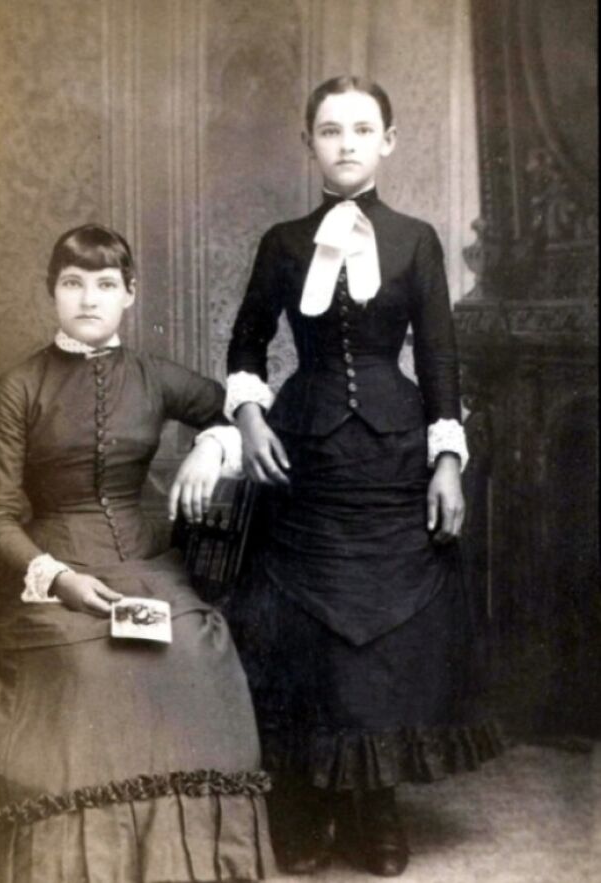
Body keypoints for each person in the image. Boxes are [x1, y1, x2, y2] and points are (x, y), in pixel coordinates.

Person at [0, 224, 274, 883]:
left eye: (105, 284)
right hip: (51, 570)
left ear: (129, 293)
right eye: (73, 283)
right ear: (52, 292)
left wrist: (213, 445)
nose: (89, 299)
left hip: (148, 565)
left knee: (194, 648)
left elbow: (241, 411)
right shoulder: (19, 386)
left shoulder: (153, 375)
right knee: (85, 663)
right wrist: (61, 581)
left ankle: (176, 863)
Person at [220, 76, 504, 877]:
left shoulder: (415, 239)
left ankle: (373, 802)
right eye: (329, 129)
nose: (345, 142)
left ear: (389, 141)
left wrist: (445, 460)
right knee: (307, 632)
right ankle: (308, 799)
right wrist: (249, 419)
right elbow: (246, 343)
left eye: (361, 128)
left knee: (386, 638)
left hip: (394, 459)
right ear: (307, 142)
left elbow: (440, 357)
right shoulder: (283, 243)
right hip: (304, 458)